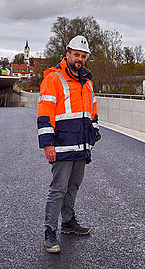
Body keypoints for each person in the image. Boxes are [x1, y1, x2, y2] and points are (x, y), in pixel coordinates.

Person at [37, 35, 101, 254]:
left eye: (83, 56)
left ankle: (68, 222)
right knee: (58, 189)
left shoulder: (87, 81)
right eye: (76, 55)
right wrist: (47, 143)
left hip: (81, 145)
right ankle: (49, 232)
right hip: (62, 145)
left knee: (73, 186)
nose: (79, 59)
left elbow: (92, 110)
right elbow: (45, 113)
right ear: (67, 53)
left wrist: (95, 132)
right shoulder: (53, 79)